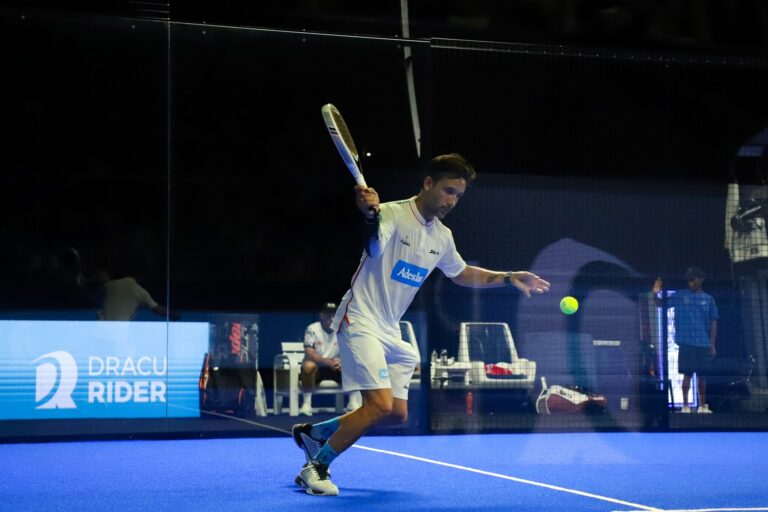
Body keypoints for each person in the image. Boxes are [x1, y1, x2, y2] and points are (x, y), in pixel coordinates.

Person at [291, 153, 550, 495]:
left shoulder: (442, 237)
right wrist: (369, 216)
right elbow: (373, 246)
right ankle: (316, 466)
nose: (452, 201)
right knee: (378, 405)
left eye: (458, 195)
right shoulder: (392, 214)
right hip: (360, 318)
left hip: (389, 328)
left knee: (395, 413)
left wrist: (508, 276)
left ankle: (315, 432)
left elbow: (461, 273)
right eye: (448, 191)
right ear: (428, 183)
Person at [652, 267, 718, 414]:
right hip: (686, 343)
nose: (690, 282)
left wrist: (712, 345)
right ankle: (686, 405)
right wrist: (655, 293)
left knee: (702, 377)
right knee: (686, 374)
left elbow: (714, 322)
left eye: (693, 279)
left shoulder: (708, 299)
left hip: (703, 343)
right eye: (688, 280)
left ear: (701, 280)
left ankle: (703, 406)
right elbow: (660, 304)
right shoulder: (680, 295)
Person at [300, 302, 363, 416]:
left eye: (334, 314)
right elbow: (310, 353)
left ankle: (353, 403)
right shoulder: (312, 329)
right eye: (328, 315)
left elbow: (351, 350)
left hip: (336, 368)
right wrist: (327, 362)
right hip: (318, 368)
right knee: (308, 366)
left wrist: (342, 361)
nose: (332, 318)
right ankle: (306, 404)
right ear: (321, 315)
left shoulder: (343, 329)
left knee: (354, 365)